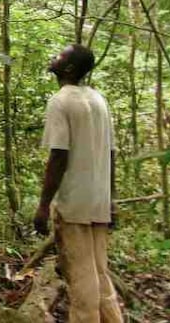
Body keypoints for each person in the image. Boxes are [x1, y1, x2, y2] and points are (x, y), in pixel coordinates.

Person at [32, 43, 123, 323]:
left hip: (75, 203)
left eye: (59, 55)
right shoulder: (98, 99)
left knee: (82, 281)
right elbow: (110, 154)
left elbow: (58, 156)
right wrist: (111, 198)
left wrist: (44, 205)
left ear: (69, 68)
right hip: (98, 200)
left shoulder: (60, 101)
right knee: (99, 273)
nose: (53, 57)